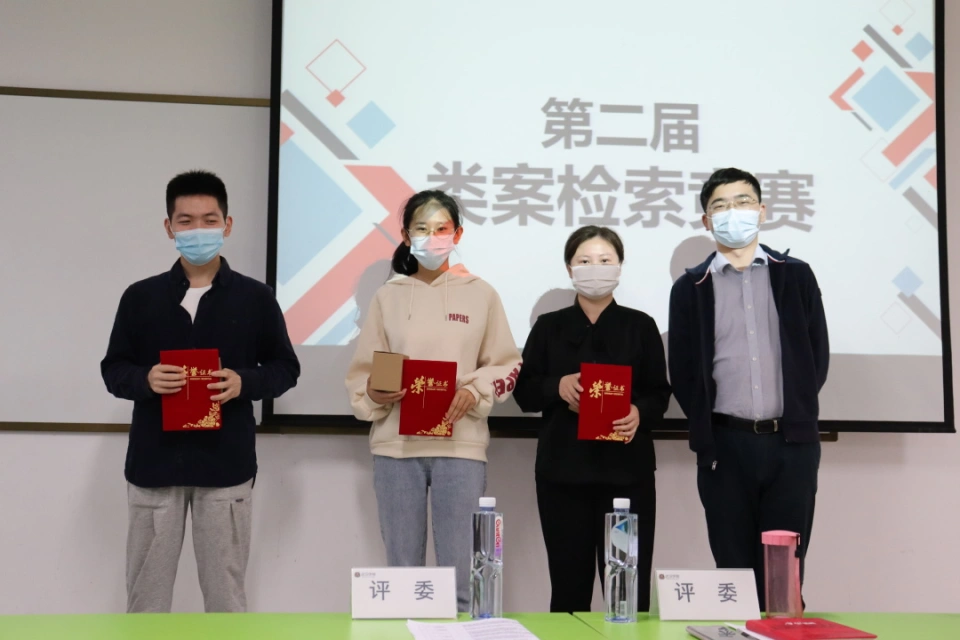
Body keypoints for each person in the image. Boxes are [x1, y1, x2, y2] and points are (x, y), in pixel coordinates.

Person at [100, 170, 301, 613]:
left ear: (227, 225)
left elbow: (286, 368)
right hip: (155, 464)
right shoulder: (140, 297)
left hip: (225, 464)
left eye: (209, 220)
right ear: (169, 227)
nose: (198, 231)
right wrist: (146, 379)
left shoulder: (256, 298)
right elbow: (113, 370)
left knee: (226, 595)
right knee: (146, 596)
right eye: (186, 221)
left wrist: (245, 382)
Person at [344, 189, 522, 611]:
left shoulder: (481, 294)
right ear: (406, 236)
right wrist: (374, 392)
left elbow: (506, 364)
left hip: (460, 447)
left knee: (463, 575)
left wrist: (474, 389)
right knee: (403, 576)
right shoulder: (388, 296)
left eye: (441, 228)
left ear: (457, 234)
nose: (432, 237)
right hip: (396, 448)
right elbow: (364, 371)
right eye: (421, 229)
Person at [668, 167, 829, 608]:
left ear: (762, 211)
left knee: (785, 575)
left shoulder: (795, 276)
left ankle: (782, 630)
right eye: (720, 206)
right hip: (724, 447)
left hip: (790, 445)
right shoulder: (690, 287)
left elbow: (815, 357)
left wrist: (796, 412)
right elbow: (683, 372)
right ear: (707, 221)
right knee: (734, 573)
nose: (732, 212)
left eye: (742, 202)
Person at [513, 226, 671, 613]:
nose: (595, 268)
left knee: (627, 591)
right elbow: (524, 392)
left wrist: (639, 412)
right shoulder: (549, 326)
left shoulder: (641, 325)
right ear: (570, 268)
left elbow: (659, 393)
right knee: (569, 590)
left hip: (627, 476)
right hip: (563, 475)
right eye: (584, 260)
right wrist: (556, 386)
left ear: (619, 267)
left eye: (604, 260)